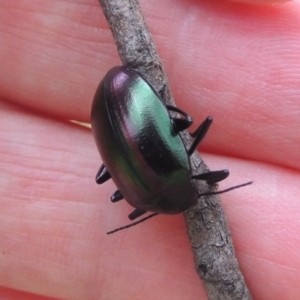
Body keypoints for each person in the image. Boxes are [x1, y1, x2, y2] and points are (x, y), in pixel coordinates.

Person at [0, 0, 299, 299]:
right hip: (119, 105)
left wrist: (161, 107)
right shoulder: (136, 195)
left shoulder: (171, 175)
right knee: (191, 123)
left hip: (126, 99)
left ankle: (158, 104)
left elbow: (194, 124)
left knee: (191, 121)